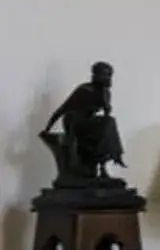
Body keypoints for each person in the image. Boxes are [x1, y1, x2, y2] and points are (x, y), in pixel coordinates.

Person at [38, 61, 129, 194]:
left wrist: (104, 99)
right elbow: (62, 109)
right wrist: (48, 129)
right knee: (108, 123)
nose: (108, 78)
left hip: (90, 123)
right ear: (96, 75)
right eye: (105, 75)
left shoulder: (105, 92)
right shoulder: (84, 90)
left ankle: (103, 167)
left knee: (108, 123)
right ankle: (114, 157)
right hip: (75, 122)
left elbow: (106, 113)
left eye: (109, 75)